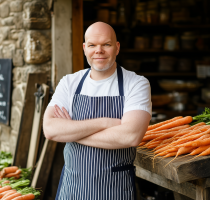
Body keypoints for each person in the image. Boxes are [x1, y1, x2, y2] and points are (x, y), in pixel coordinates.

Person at [43, 22, 152, 200]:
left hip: (115, 190)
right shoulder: (69, 83)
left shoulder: (136, 84)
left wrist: (70, 131)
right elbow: (50, 129)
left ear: (117, 48)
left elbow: (130, 136)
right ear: (85, 48)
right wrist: (105, 123)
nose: (98, 50)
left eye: (106, 45)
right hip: (72, 190)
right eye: (92, 45)